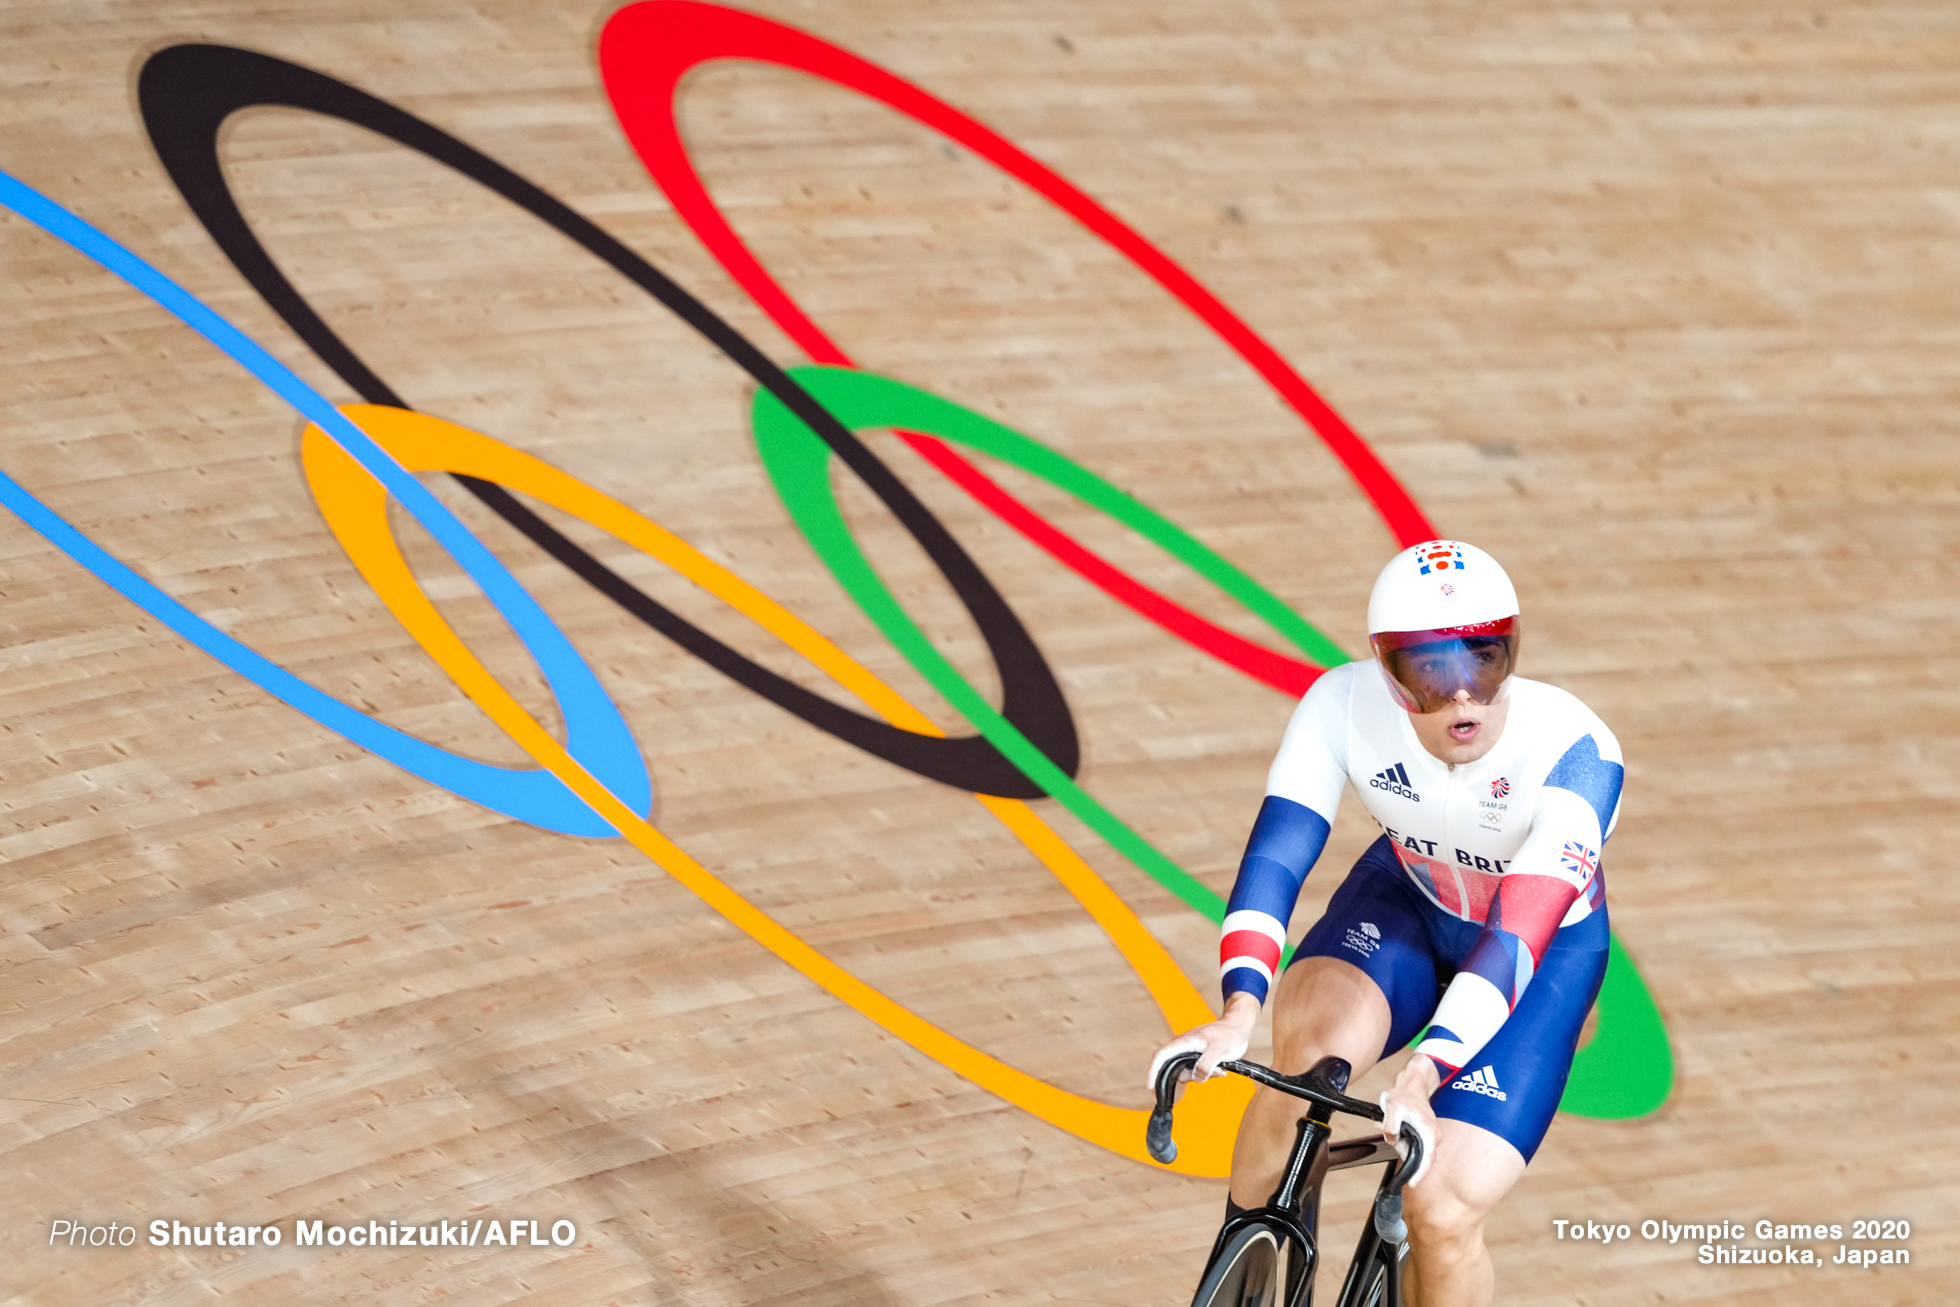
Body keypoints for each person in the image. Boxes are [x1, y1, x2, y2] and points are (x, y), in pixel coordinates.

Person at [1148, 539, 1622, 1307]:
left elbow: (1512, 940)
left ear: (1514, 648)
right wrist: (1237, 1009)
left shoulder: (1577, 753)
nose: (1463, 696)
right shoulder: (1342, 704)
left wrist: (1425, 1071)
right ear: (1386, 670)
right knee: (1305, 1064)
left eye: (1484, 661)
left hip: (1536, 959)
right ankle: (1246, 1270)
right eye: (1431, 674)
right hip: (1406, 903)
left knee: (1443, 1206)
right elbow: (1278, 854)